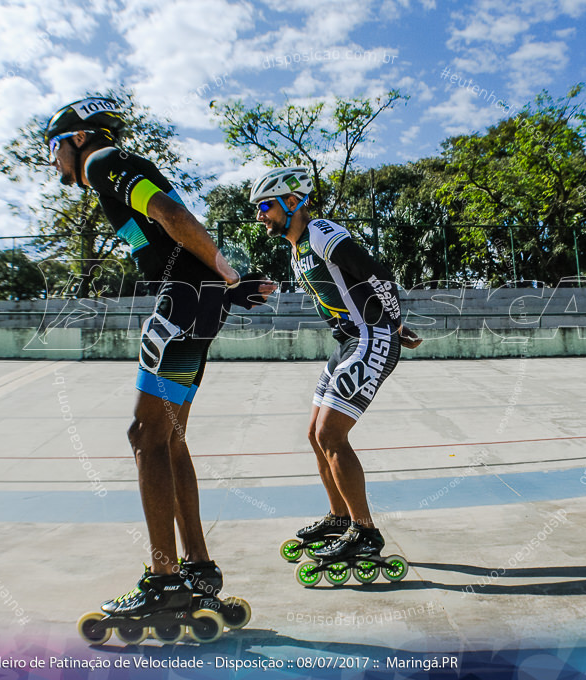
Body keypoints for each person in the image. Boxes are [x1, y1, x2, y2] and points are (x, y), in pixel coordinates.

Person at [44, 97, 274, 617]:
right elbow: (166, 237)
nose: (53, 159)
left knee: (145, 437)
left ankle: (164, 579)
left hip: (181, 305)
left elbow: (170, 214)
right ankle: (197, 565)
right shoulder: (110, 171)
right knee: (169, 439)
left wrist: (225, 272)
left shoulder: (102, 163)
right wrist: (224, 289)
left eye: (54, 145)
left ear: (79, 138)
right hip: (198, 303)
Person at [249, 166, 420, 562]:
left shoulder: (322, 233)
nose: (260, 216)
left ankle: (364, 531)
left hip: (370, 337)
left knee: (330, 434)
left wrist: (393, 324)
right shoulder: (297, 252)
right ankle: (340, 517)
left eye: (265, 207)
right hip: (347, 341)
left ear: (293, 202)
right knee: (314, 433)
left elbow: (379, 276)